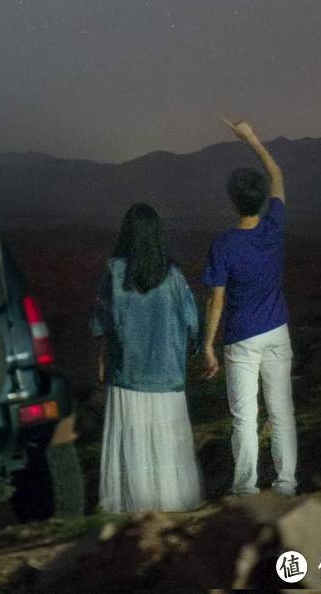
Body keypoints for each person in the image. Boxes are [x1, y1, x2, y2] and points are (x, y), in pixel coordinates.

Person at [202, 117, 297, 497]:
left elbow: (216, 300)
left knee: (245, 417)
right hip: (277, 330)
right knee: (281, 411)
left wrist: (207, 344)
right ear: (262, 200)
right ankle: (286, 483)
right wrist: (252, 139)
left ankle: (245, 487)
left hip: (241, 337)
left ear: (232, 199)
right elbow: (277, 174)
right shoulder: (274, 227)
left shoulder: (224, 245)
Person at [90, 203, 203, 512]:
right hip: (167, 376)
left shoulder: (114, 271)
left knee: (132, 440)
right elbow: (191, 322)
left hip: (127, 373)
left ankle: (133, 506)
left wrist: (101, 359)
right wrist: (191, 352)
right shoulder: (174, 275)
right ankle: (170, 503)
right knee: (167, 442)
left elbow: (103, 322)